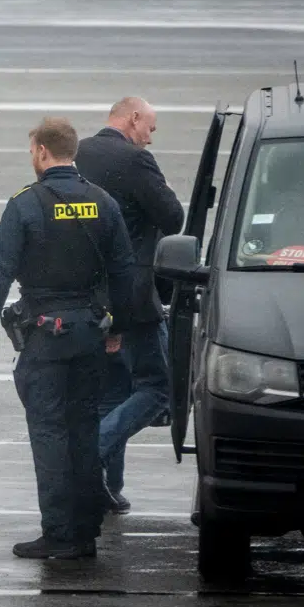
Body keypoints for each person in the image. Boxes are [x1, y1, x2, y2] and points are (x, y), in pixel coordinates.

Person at [0, 117, 134, 559]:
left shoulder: (27, 203)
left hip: (45, 336)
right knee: (84, 431)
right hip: (89, 333)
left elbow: (1, 270)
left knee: (48, 433)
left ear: (42, 151)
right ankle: (85, 532)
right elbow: (124, 272)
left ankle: (59, 532)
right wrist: (118, 328)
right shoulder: (102, 201)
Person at [74, 97, 185, 513]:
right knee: (159, 389)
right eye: (150, 129)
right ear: (133, 117)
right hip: (135, 295)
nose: (149, 138)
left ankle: (107, 487)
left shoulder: (79, 153)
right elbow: (173, 218)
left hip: (87, 291)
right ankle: (89, 457)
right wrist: (167, 191)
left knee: (112, 392)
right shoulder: (138, 161)